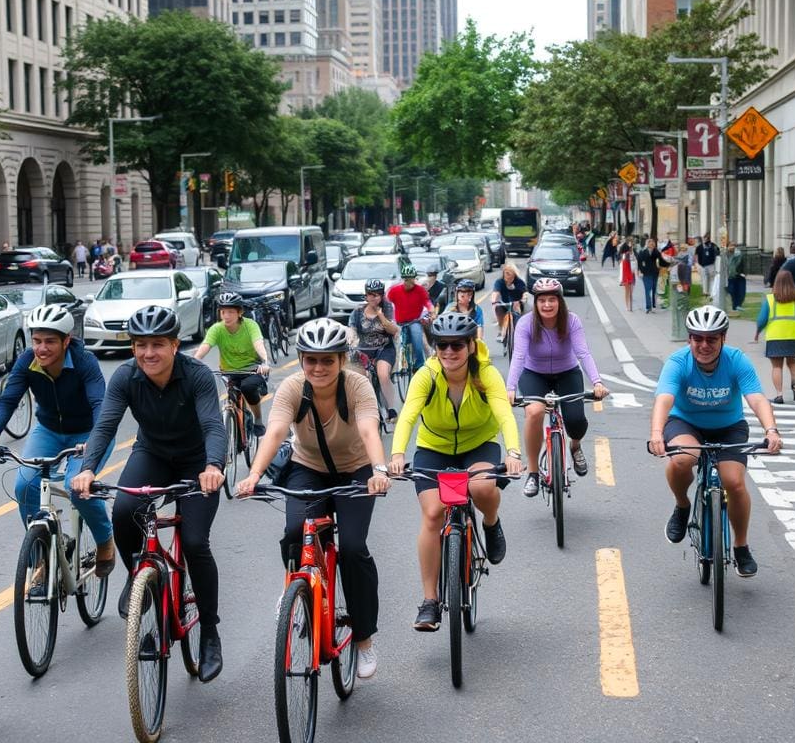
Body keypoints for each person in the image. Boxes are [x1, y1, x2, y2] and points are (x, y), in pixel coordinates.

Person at [71, 306, 227, 682]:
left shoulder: (198, 376)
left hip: (196, 463)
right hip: (153, 454)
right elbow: (105, 424)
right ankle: (138, 577)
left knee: (193, 540)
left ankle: (209, 631)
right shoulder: (126, 377)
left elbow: (212, 425)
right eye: (141, 345)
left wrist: (213, 466)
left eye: (158, 345)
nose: (148, 354)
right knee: (124, 510)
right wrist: (88, 467)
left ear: (175, 345)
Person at [236, 318, 389, 679]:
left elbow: (368, 428)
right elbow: (274, 432)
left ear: (341, 360)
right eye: (311, 360)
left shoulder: (357, 386)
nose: (318, 368)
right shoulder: (292, 387)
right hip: (309, 467)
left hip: (356, 470)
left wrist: (380, 470)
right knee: (294, 531)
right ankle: (297, 584)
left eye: (327, 360)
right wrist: (254, 475)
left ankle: (364, 639)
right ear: (302, 360)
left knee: (352, 547)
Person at [389, 312, 522, 631]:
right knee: (433, 514)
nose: (449, 352)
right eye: (442, 345)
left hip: (478, 445)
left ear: (471, 346)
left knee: (481, 489)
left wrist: (514, 451)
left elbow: (504, 412)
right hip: (434, 448)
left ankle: (491, 524)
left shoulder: (486, 374)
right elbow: (407, 415)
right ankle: (430, 601)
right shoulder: (427, 375)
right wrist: (396, 454)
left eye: (457, 345)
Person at [0, 305, 116, 574]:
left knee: (78, 487)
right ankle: (40, 554)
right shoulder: (27, 361)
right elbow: (7, 400)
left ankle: (105, 540)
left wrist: (96, 439)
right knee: (24, 484)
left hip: (89, 432)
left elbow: (100, 403)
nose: (42, 349)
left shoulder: (84, 361)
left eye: (50, 341)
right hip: (49, 430)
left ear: (66, 341)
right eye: (37, 341)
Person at [649, 305, 782, 577]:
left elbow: (756, 398)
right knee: (684, 458)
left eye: (712, 339)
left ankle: (741, 546)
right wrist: (656, 434)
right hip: (686, 422)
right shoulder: (678, 362)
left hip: (728, 426)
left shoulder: (737, 360)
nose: (704, 345)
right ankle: (682, 505)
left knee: (734, 481)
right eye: (697, 338)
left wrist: (771, 430)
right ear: (689, 340)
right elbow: (664, 398)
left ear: (724, 338)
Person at [506, 278, 608, 498]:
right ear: (536, 303)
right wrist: (510, 387)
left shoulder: (572, 321)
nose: (547, 305)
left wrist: (597, 382)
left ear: (560, 301)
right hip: (533, 373)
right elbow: (519, 355)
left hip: (567, 372)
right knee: (534, 411)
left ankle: (575, 446)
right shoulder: (525, 323)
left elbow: (583, 353)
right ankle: (532, 472)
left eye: (552, 299)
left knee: (575, 420)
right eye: (542, 300)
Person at [192, 292, 270, 436]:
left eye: (230, 312)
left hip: (252, 370)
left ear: (240, 312)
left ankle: (257, 419)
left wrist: (265, 361)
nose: (226, 316)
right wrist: (193, 363)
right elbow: (205, 346)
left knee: (247, 387)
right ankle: (233, 423)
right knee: (228, 397)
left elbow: (258, 344)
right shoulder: (217, 329)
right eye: (223, 312)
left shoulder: (250, 326)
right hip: (229, 372)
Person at [755, 269, 795, 405]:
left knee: (776, 366)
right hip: (793, 335)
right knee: (793, 361)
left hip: (775, 336)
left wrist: (757, 332)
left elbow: (762, 319)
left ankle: (779, 395)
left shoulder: (770, 299)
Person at [347, 279, 399, 422]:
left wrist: (380, 315)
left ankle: (391, 408)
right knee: (357, 378)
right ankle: (363, 408)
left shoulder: (388, 308)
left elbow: (393, 330)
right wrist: (350, 338)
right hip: (364, 349)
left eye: (377, 294)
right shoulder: (358, 311)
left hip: (384, 348)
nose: (374, 297)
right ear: (366, 295)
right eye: (370, 294)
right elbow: (351, 329)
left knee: (383, 375)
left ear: (382, 296)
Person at [386, 263, 433, 373]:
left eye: (411, 280)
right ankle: (397, 367)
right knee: (398, 342)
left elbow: (427, 302)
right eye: (406, 280)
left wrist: (432, 310)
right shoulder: (394, 291)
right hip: (399, 322)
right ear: (403, 279)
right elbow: (387, 303)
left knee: (417, 340)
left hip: (414, 321)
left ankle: (419, 364)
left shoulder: (420, 290)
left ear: (414, 279)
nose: (408, 283)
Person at [490, 263, 527, 339]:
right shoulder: (499, 282)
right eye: (506, 274)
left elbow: (525, 293)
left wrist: (523, 300)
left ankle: (519, 332)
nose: (508, 277)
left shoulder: (519, 282)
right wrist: (494, 302)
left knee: (517, 310)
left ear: (514, 275)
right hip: (505, 304)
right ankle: (501, 330)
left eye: (510, 275)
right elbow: (495, 293)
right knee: (498, 307)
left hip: (517, 303)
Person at [636, 237, 663, 313]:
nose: (651, 245)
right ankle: (648, 307)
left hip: (655, 273)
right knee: (648, 290)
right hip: (646, 274)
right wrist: (641, 270)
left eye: (652, 244)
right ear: (647, 245)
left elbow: (661, 260)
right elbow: (639, 262)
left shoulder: (656, 252)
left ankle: (653, 306)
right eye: (650, 244)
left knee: (654, 290)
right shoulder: (642, 252)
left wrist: (660, 269)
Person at [695, 234, 719, 300]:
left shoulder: (713, 246)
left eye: (707, 238)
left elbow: (717, 254)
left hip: (711, 264)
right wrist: (697, 264)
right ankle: (705, 292)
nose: (706, 240)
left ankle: (711, 292)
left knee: (711, 278)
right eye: (705, 238)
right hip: (702, 265)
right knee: (704, 278)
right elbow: (696, 255)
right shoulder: (699, 247)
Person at [726, 241, 746, 311]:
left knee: (741, 292)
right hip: (730, 276)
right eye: (731, 245)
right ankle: (735, 306)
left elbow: (743, 264)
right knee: (732, 291)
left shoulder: (739, 254)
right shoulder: (726, 254)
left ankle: (738, 305)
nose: (732, 247)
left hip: (739, 275)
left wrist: (743, 273)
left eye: (734, 245)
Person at [619, 241, 636, 312]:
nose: (631, 248)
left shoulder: (627, 255)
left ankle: (628, 306)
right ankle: (628, 306)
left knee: (629, 292)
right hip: (628, 274)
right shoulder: (626, 255)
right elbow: (625, 266)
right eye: (630, 247)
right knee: (629, 291)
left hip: (629, 274)